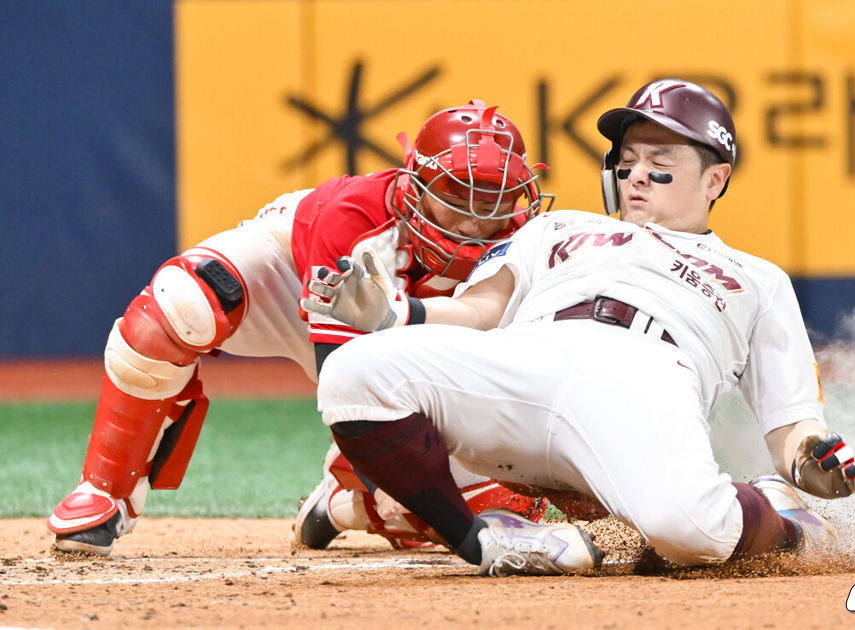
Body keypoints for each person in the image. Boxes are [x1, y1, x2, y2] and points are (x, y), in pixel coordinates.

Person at [301, 79, 855, 576]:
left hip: (646, 379)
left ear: (716, 179)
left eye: (660, 160)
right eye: (628, 158)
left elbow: (792, 422)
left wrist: (807, 462)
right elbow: (480, 312)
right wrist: (395, 315)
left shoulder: (758, 278)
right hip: (528, 358)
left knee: (692, 530)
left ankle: (784, 518)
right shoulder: (557, 226)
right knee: (352, 374)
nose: (636, 173)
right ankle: (479, 545)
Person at [47, 100, 555, 557]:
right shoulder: (354, 217)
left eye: (494, 198)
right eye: (457, 193)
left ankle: (345, 505)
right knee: (180, 305)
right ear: (415, 183)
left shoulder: (525, 243)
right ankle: (105, 491)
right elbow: (345, 386)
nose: (475, 218)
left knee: (500, 503)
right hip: (289, 278)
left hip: (405, 335)